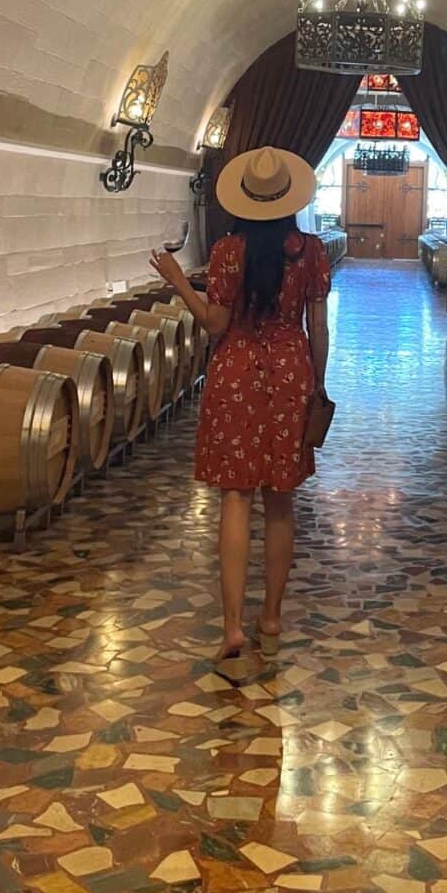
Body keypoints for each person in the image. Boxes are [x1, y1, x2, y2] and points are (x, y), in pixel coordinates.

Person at [150, 146, 331, 661]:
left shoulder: (229, 251)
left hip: (235, 373)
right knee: (280, 502)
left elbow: (215, 324)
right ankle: (270, 619)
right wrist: (317, 384)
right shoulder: (313, 252)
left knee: (235, 498)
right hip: (291, 370)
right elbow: (317, 326)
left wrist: (180, 281)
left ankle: (231, 627)